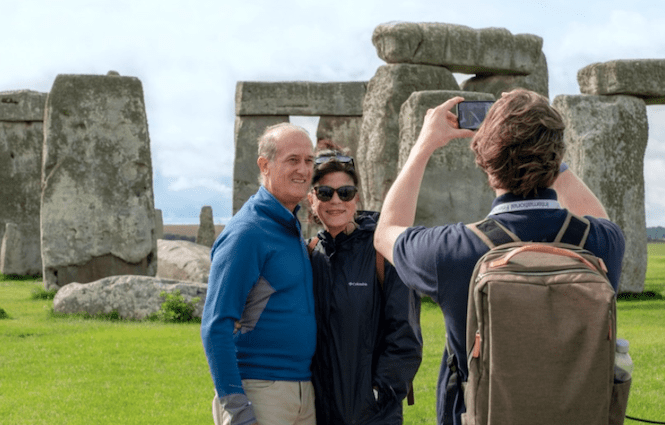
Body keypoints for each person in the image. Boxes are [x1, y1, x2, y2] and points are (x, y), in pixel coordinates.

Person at [373, 89, 626, 425]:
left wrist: (424, 145)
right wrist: (542, 139)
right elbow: (597, 216)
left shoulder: (451, 250)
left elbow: (386, 230)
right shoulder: (602, 243)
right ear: (556, 154)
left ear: (483, 160)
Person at [201, 123, 317, 425]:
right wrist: (237, 408)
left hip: (304, 391)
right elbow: (215, 325)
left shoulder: (290, 228)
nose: (303, 170)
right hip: (260, 392)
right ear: (264, 165)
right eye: (293, 160)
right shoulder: (248, 232)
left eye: (309, 160)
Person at [307, 146, 423, 425]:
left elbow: (405, 335)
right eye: (325, 193)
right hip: (318, 412)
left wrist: (378, 394)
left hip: (373, 414)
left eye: (345, 192)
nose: (336, 201)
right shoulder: (310, 254)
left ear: (356, 197)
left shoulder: (383, 251)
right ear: (312, 199)